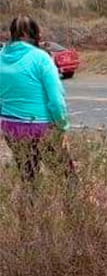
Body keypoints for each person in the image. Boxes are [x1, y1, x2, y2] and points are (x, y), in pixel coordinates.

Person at [0, 15, 74, 183]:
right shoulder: (41, 58)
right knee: (67, 179)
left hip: (11, 128)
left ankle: (32, 209)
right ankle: (72, 208)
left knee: (29, 178)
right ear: (31, 33)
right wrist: (62, 126)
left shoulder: (1, 57)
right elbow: (56, 99)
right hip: (40, 128)